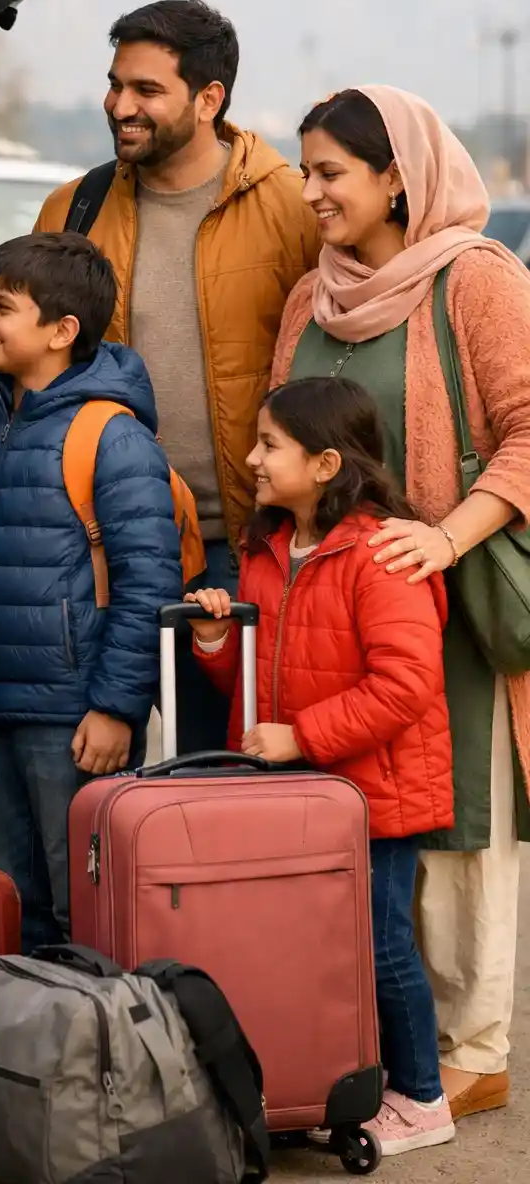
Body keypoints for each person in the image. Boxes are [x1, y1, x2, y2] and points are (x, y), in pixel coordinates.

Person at [0, 0, 320, 749]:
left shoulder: (290, 207)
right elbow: (42, 347)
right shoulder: (73, 207)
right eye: (115, 84)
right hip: (94, 549)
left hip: (243, 549)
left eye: (146, 89)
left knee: (222, 772)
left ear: (209, 99)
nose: (119, 106)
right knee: (98, 768)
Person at [272, 85, 530, 1122]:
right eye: (305, 171)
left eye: (330, 172)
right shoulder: (311, 293)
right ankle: (391, 1041)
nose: (310, 192)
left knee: (459, 823)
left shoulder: (476, 278)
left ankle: (474, 1048)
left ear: (396, 178)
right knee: (369, 829)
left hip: (452, 600)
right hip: (339, 610)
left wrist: (444, 536)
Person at [0, 232, 183, 950]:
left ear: (61, 331)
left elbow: (149, 583)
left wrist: (116, 707)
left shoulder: (112, 436)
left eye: (2, 306)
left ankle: (90, 1022)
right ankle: (18, 1020)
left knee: (83, 905)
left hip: (71, 718)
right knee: (0, 901)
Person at [189, 376, 455, 1156]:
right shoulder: (268, 547)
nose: (252, 458)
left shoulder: (379, 553)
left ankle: (423, 1097)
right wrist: (215, 642)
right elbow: (257, 679)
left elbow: (405, 684)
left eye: (270, 444)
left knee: (379, 944)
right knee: (308, 945)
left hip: (372, 794)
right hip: (296, 793)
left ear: (327, 462)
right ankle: (332, 1079)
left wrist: (301, 738)